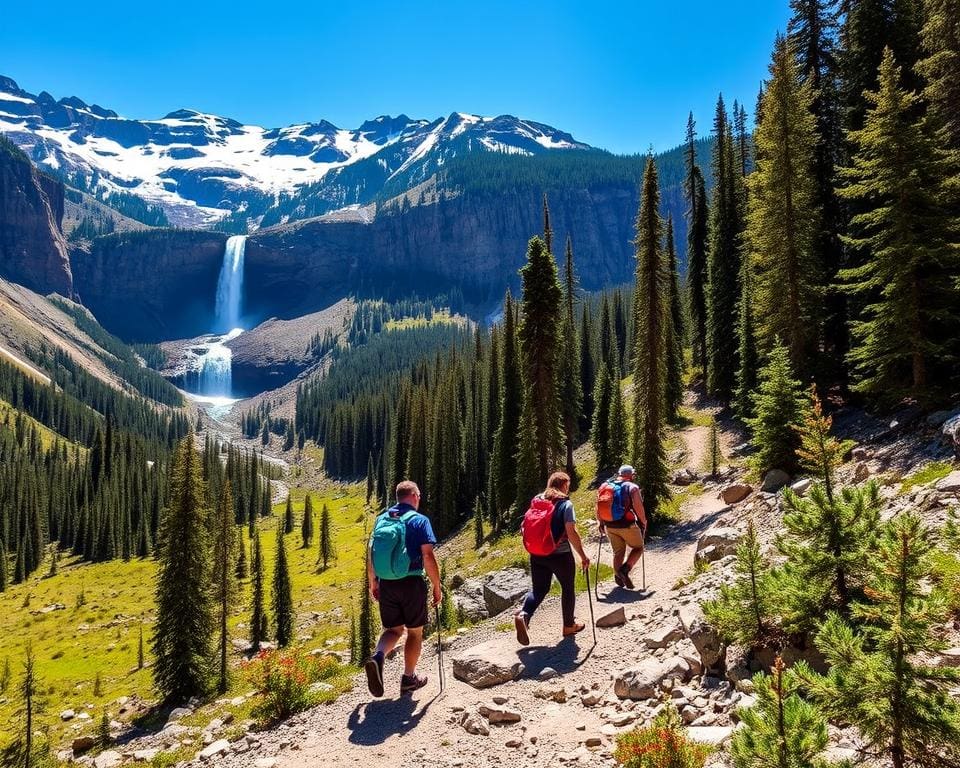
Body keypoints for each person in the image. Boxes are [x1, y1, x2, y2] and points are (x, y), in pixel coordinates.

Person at [365, 480, 441, 697]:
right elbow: (427, 555)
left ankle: (378, 656)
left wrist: (374, 582)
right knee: (415, 633)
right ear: (415, 496)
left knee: (393, 630)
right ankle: (408, 678)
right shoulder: (419, 520)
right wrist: (437, 586)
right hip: (411, 582)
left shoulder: (382, 519)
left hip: (386, 582)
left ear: (398, 497)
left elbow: (371, 553)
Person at [514, 471, 591, 645]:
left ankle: (524, 615)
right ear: (564, 485)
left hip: (537, 554)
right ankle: (569, 625)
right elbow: (571, 533)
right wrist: (583, 556)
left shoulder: (538, 499)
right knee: (568, 587)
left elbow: (524, 525)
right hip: (560, 555)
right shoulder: (566, 505)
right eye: (568, 486)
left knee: (539, 589)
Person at [596, 464, 647, 589]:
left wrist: (600, 523)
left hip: (609, 525)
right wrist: (643, 521)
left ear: (619, 474)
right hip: (626, 524)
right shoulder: (632, 487)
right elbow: (638, 507)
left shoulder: (605, 486)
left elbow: (597, 506)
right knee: (638, 548)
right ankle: (624, 570)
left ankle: (618, 577)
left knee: (618, 552)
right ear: (631, 475)